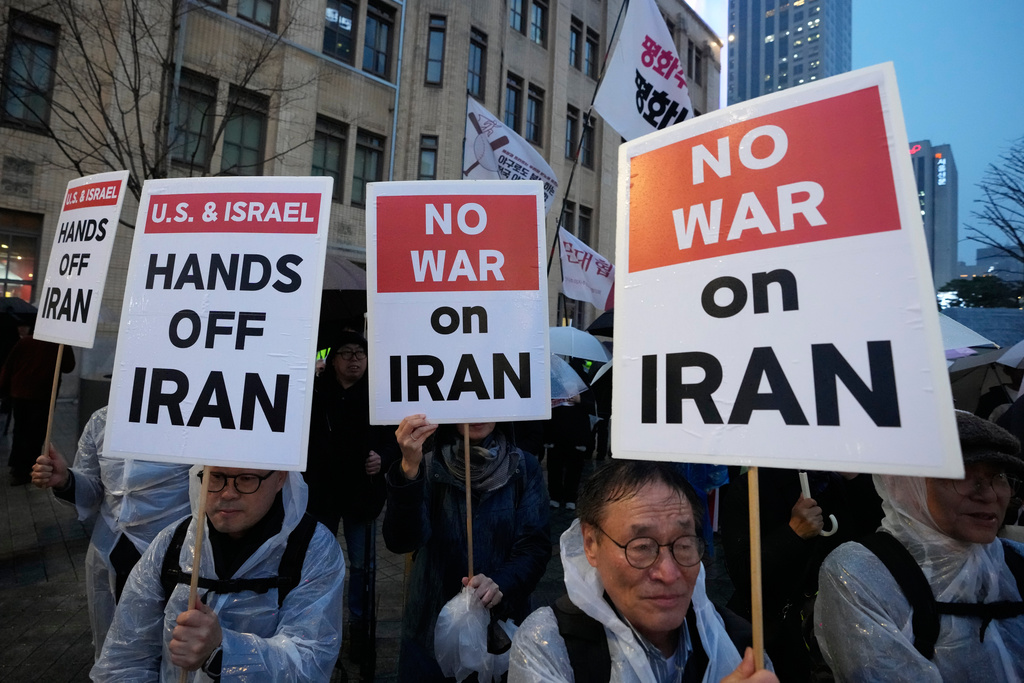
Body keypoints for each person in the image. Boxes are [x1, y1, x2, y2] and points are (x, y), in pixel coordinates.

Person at [509, 460, 778, 683]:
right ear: (590, 544)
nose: (668, 573)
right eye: (641, 547)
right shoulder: (550, 645)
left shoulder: (740, 647)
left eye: (684, 544)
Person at [815, 411, 1024, 681]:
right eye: (961, 475)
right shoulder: (860, 574)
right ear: (904, 484)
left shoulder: (1015, 561)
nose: (989, 494)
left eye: (999, 476)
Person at [91, 465, 345, 681]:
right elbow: (125, 658)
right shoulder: (172, 545)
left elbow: (310, 663)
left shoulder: (312, 550)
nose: (228, 493)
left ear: (280, 478)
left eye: (247, 479)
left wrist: (223, 652)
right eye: (216, 477)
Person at [384, 416, 551, 681]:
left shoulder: (524, 468)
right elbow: (401, 540)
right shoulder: (428, 466)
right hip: (431, 631)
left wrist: (501, 584)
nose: (477, 416)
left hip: (502, 633)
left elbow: (534, 547)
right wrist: (409, 469)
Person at [31, 406, 191, 659]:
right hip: (111, 552)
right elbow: (94, 491)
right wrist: (65, 480)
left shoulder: (197, 419)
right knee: (115, 650)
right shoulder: (101, 420)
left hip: (174, 555)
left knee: (171, 651)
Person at [720, 467, 882, 681]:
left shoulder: (842, 482)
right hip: (779, 640)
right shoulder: (750, 488)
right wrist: (793, 533)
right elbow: (743, 573)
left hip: (843, 633)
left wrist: (856, 480)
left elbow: (878, 543)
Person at [303, 331, 397, 643]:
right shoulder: (315, 394)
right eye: (346, 352)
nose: (354, 359)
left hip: (362, 495)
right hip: (322, 494)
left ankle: (361, 626)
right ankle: (319, 624)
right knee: (319, 564)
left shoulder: (378, 396)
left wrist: (382, 458)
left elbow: (394, 440)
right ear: (333, 360)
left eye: (360, 353)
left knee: (363, 566)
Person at [0, 323, 75, 485]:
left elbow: (9, 365)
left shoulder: (25, 341)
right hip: (43, 395)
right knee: (36, 434)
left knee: (20, 430)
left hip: (20, 393)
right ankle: (28, 468)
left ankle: (17, 467)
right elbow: (69, 367)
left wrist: (4, 387)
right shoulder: (58, 345)